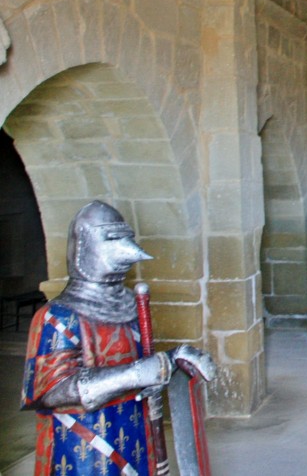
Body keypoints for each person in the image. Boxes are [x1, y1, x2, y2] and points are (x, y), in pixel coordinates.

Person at [21, 201, 215, 476]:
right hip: (83, 439)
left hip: (134, 427)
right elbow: (51, 390)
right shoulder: (56, 317)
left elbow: (144, 363)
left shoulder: (129, 304)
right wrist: (137, 374)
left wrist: (175, 358)